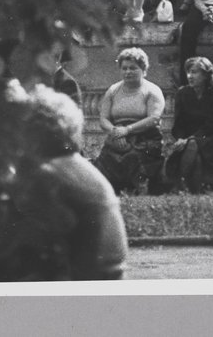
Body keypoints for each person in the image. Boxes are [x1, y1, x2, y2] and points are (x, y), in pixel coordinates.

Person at [9, 85, 128, 280]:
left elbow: (32, 244)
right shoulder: (78, 167)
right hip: (105, 280)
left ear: (32, 130)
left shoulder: (47, 175)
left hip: (79, 285)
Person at [93, 47, 165, 195]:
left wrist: (127, 130)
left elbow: (154, 119)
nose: (128, 72)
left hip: (145, 137)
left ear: (143, 69)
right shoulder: (113, 90)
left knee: (132, 157)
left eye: (133, 68)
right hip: (117, 136)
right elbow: (103, 119)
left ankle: (139, 191)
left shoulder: (152, 91)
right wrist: (116, 132)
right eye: (124, 68)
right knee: (105, 160)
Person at [164, 56, 213, 193]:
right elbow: (179, 122)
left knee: (192, 144)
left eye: (194, 72)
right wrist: (181, 138)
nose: (190, 76)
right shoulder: (182, 93)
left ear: (206, 75)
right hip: (187, 141)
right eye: (188, 72)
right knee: (196, 157)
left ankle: (179, 186)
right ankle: (194, 193)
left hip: (212, 139)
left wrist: (190, 139)